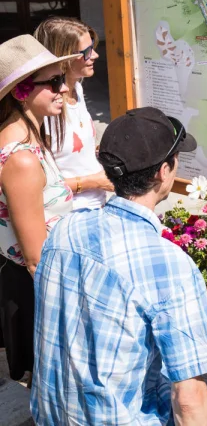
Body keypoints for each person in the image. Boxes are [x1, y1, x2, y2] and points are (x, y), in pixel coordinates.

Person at [31, 106, 207, 425]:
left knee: (203, 359)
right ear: (164, 171)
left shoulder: (66, 229)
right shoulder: (168, 264)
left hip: (52, 417)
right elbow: (189, 400)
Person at [0, 35, 80, 381]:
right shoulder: (21, 160)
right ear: (21, 92)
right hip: (40, 292)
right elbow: (36, 259)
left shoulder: (28, 142)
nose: (64, 89)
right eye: (54, 81)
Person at [34, 17, 113, 211]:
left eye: (93, 47)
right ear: (63, 57)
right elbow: (36, 186)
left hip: (95, 206)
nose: (94, 55)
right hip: (68, 213)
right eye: (85, 52)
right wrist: (93, 181)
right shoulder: (46, 110)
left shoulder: (76, 89)